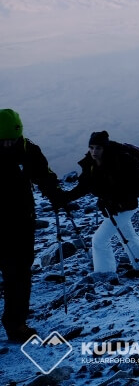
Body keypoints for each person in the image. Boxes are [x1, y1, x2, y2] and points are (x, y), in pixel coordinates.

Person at [0, 109, 59, 343]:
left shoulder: (27, 150)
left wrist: (56, 195)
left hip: (21, 223)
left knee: (19, 274)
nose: (7, 144)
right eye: (2, 140)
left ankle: (16, 325)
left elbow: (44, 175)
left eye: (11, 140)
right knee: (16, 275)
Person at [61, 131, 139, 277]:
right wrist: (65, 198)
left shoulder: (119, 161)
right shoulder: (91, 164)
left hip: (125, 206)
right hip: (112, 207)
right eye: (91, 147)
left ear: (105, 148)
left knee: (99, 240)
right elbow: (84, 186)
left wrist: (115, 202)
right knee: (127, 234)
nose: (94, 151)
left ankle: (105, 274)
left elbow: (129, 187)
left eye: (98, 148)